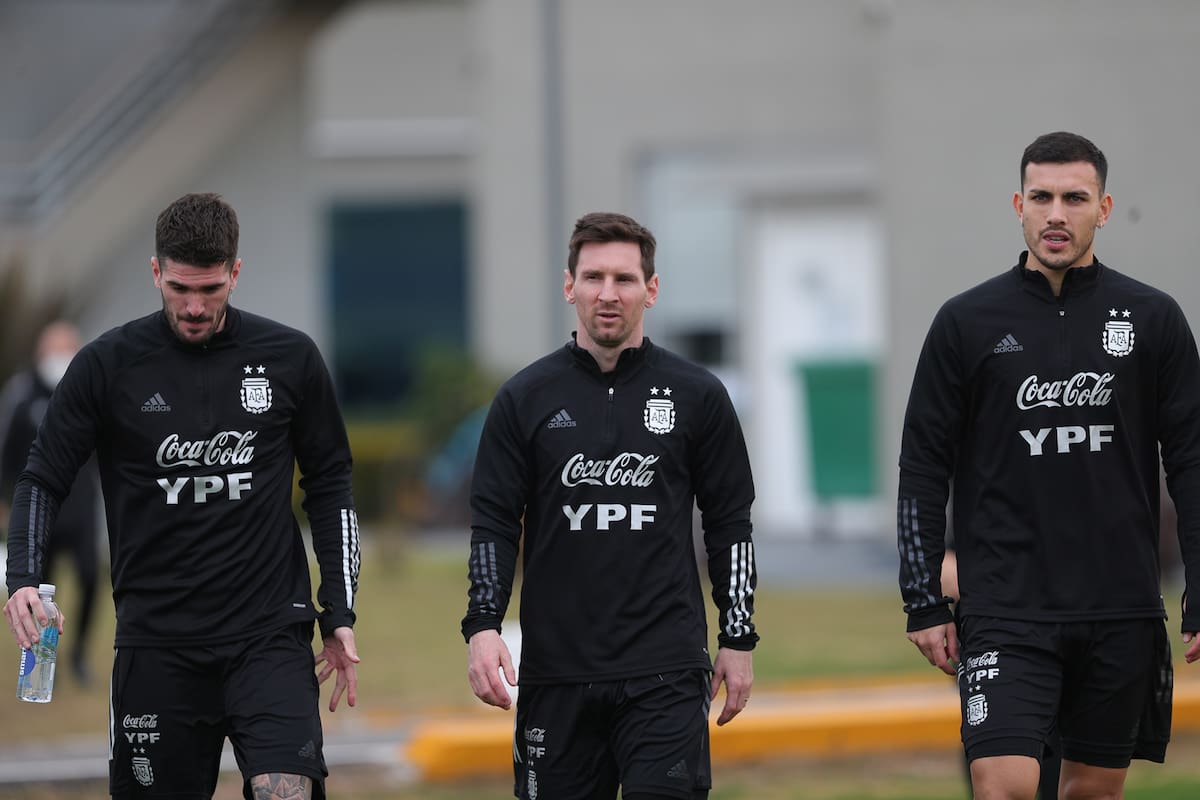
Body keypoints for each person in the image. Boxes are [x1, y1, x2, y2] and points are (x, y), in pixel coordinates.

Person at [3, 193, 361, 800]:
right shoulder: (105, 367)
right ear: (155, 272)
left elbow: (331, 484)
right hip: (157, 643)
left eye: (211, 290)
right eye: (178, 289)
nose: (194, 307)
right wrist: (22, 579)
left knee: (287, 790)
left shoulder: (289, 358)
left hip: (268, 637)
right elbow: (42, 477)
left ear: (236, 273)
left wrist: (340, 611)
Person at [898, 131, 1200, 800]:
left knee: (1090, 793)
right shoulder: (966, 322)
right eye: (1042, 197)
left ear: (1105, 207)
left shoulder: (1152, 319)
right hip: (1006, 607)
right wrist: (922, 599)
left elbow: (1191, 462)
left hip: (1119, 606)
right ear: (1018, 204)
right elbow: (921, 467)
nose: (1056, 214)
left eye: (1074, 198)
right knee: (1001, 785)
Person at [462, 211, 758, 800]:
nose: (607, 294)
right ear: (568, 285)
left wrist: (738, 636)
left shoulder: (697, 395)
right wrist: (483, 627)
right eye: (593, 277)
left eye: (624, 279)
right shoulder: (525, 398)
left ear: (651, 289)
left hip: (667, 671)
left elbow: (731, 525)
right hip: (557, 672)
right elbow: (493, 524)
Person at [0, 320, 102, 686]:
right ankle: (41, 668)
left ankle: (78, 656)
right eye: (55, 349)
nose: (61, 356)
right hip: (40, 506)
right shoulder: (24, 393)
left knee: (92, 576)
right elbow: (8, 450)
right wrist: (5, 498)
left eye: (68, 348)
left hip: (81, 504)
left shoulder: (87, 389)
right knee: (41, 587)